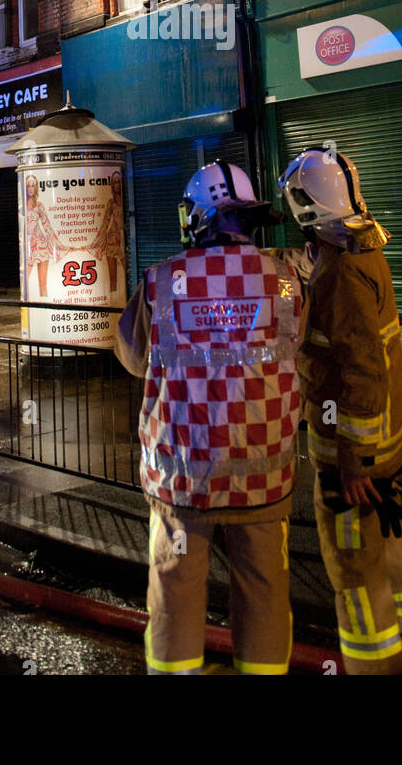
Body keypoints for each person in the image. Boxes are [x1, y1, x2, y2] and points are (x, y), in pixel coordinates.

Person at [115, 160, 307, 675]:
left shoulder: (160, 281)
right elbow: (294, 342)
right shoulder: (286, 280)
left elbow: (134, 359)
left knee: (175, 591)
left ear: (200, 216)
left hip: (184, 478)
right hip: (264, 475)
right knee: (265, 592)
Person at [277, 148, 402, 675]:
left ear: (309, 203)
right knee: (383, 530)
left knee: (353, 561)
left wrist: (351, 462)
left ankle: (375, 663)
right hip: (382, 439)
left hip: (351, 452)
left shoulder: (342, 273)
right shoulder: (361, 248)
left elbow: (360, 370)